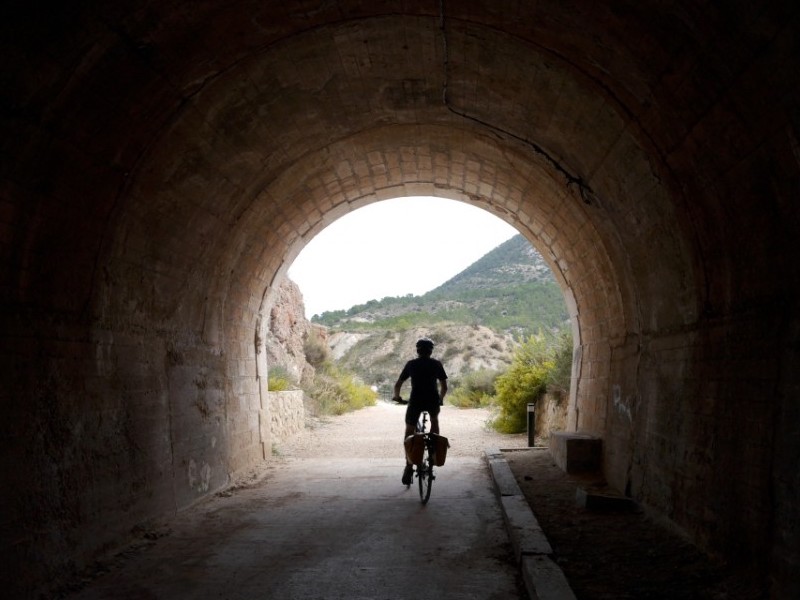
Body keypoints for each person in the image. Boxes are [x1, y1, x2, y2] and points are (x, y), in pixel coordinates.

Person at [392, 337, 448, 485]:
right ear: (431, 351)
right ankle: (434, 449)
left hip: (416, 400)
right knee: (434, 421)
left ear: (418, 350)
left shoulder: (411, 364)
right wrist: (440, 399)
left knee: (409, 430)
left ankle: (409, 466)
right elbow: (444, 387)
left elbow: (398, 384)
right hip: (432, 400)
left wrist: (397, 397)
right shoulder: (436, 364)